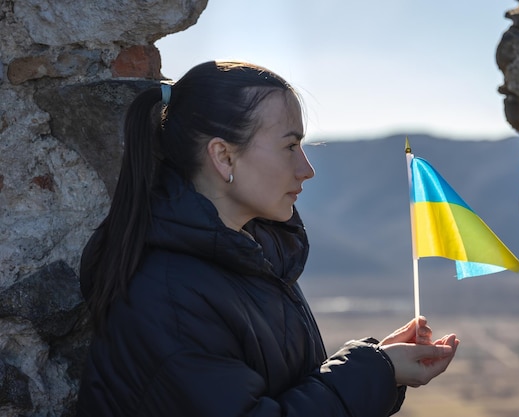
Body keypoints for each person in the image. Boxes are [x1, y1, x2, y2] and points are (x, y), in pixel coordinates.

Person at [76, 60, 459, 417]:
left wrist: (380, 364)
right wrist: (376, 370)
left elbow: (287, 391)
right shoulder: (168, 297)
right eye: (290, 146)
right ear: (223, 157)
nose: (306, 169)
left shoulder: (248, 257)